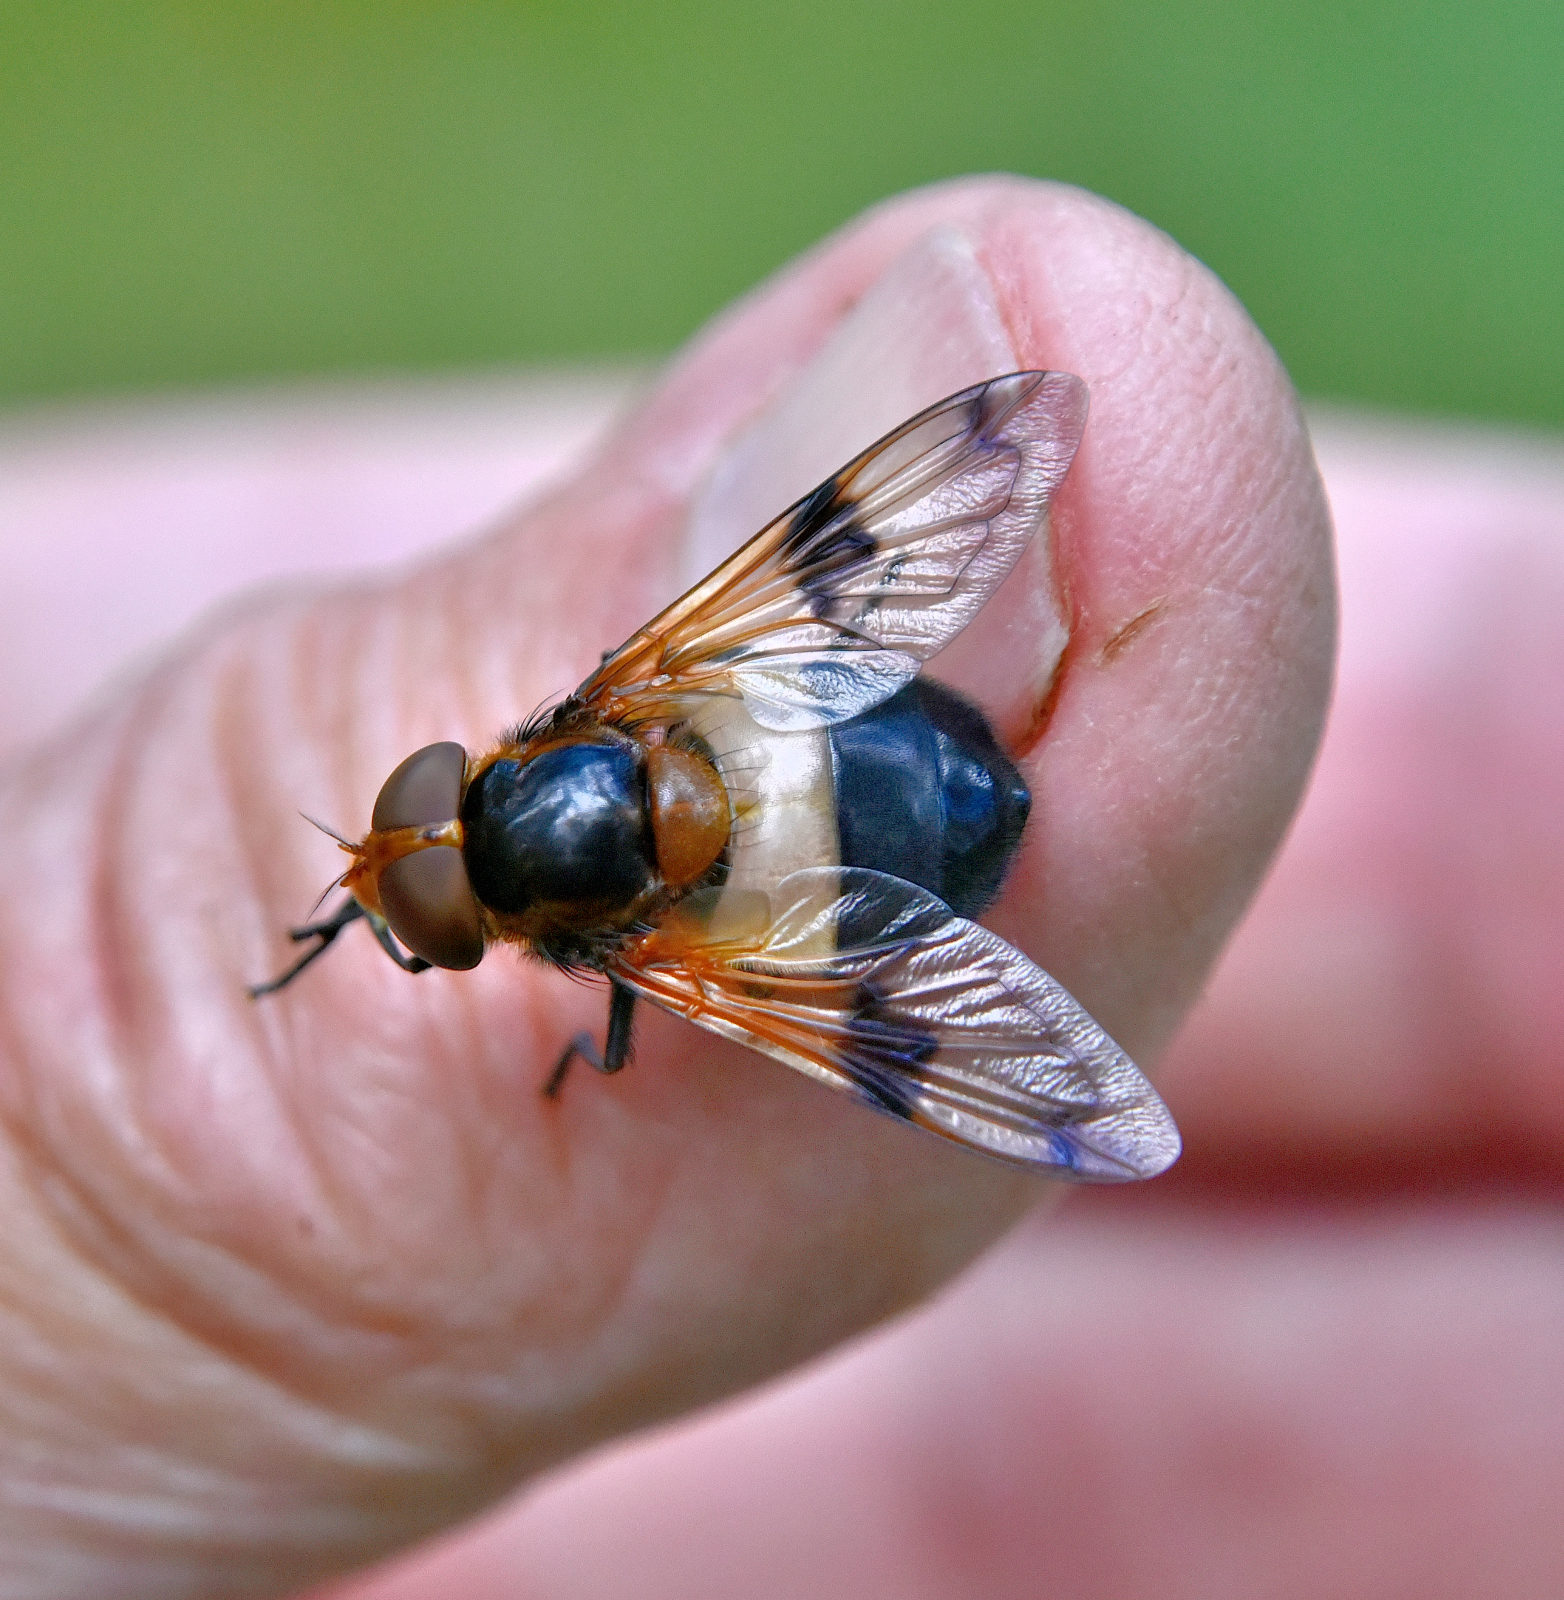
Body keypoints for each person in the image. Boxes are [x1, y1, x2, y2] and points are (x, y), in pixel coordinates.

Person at [1, 178, 1554, 1600]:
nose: (406, 844)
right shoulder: (619, 705)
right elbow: (819, 582)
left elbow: (658, 1026)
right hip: (891, 748)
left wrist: (593, 1045)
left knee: (841, 1003)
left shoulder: (643, 958)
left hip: (877, 837)